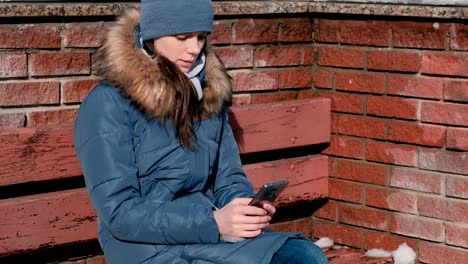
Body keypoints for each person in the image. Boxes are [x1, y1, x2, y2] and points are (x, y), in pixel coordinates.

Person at [73, 0, 329, 263]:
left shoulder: (207, 95)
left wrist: (243, 209)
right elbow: (120, 213)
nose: (194, 49)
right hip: (146, 246)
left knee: (304, 256)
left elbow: (228, 178)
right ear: (153, 34)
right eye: (182, 37)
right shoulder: (108, 103)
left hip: (213, 236)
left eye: (200, 37)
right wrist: (213, 223)